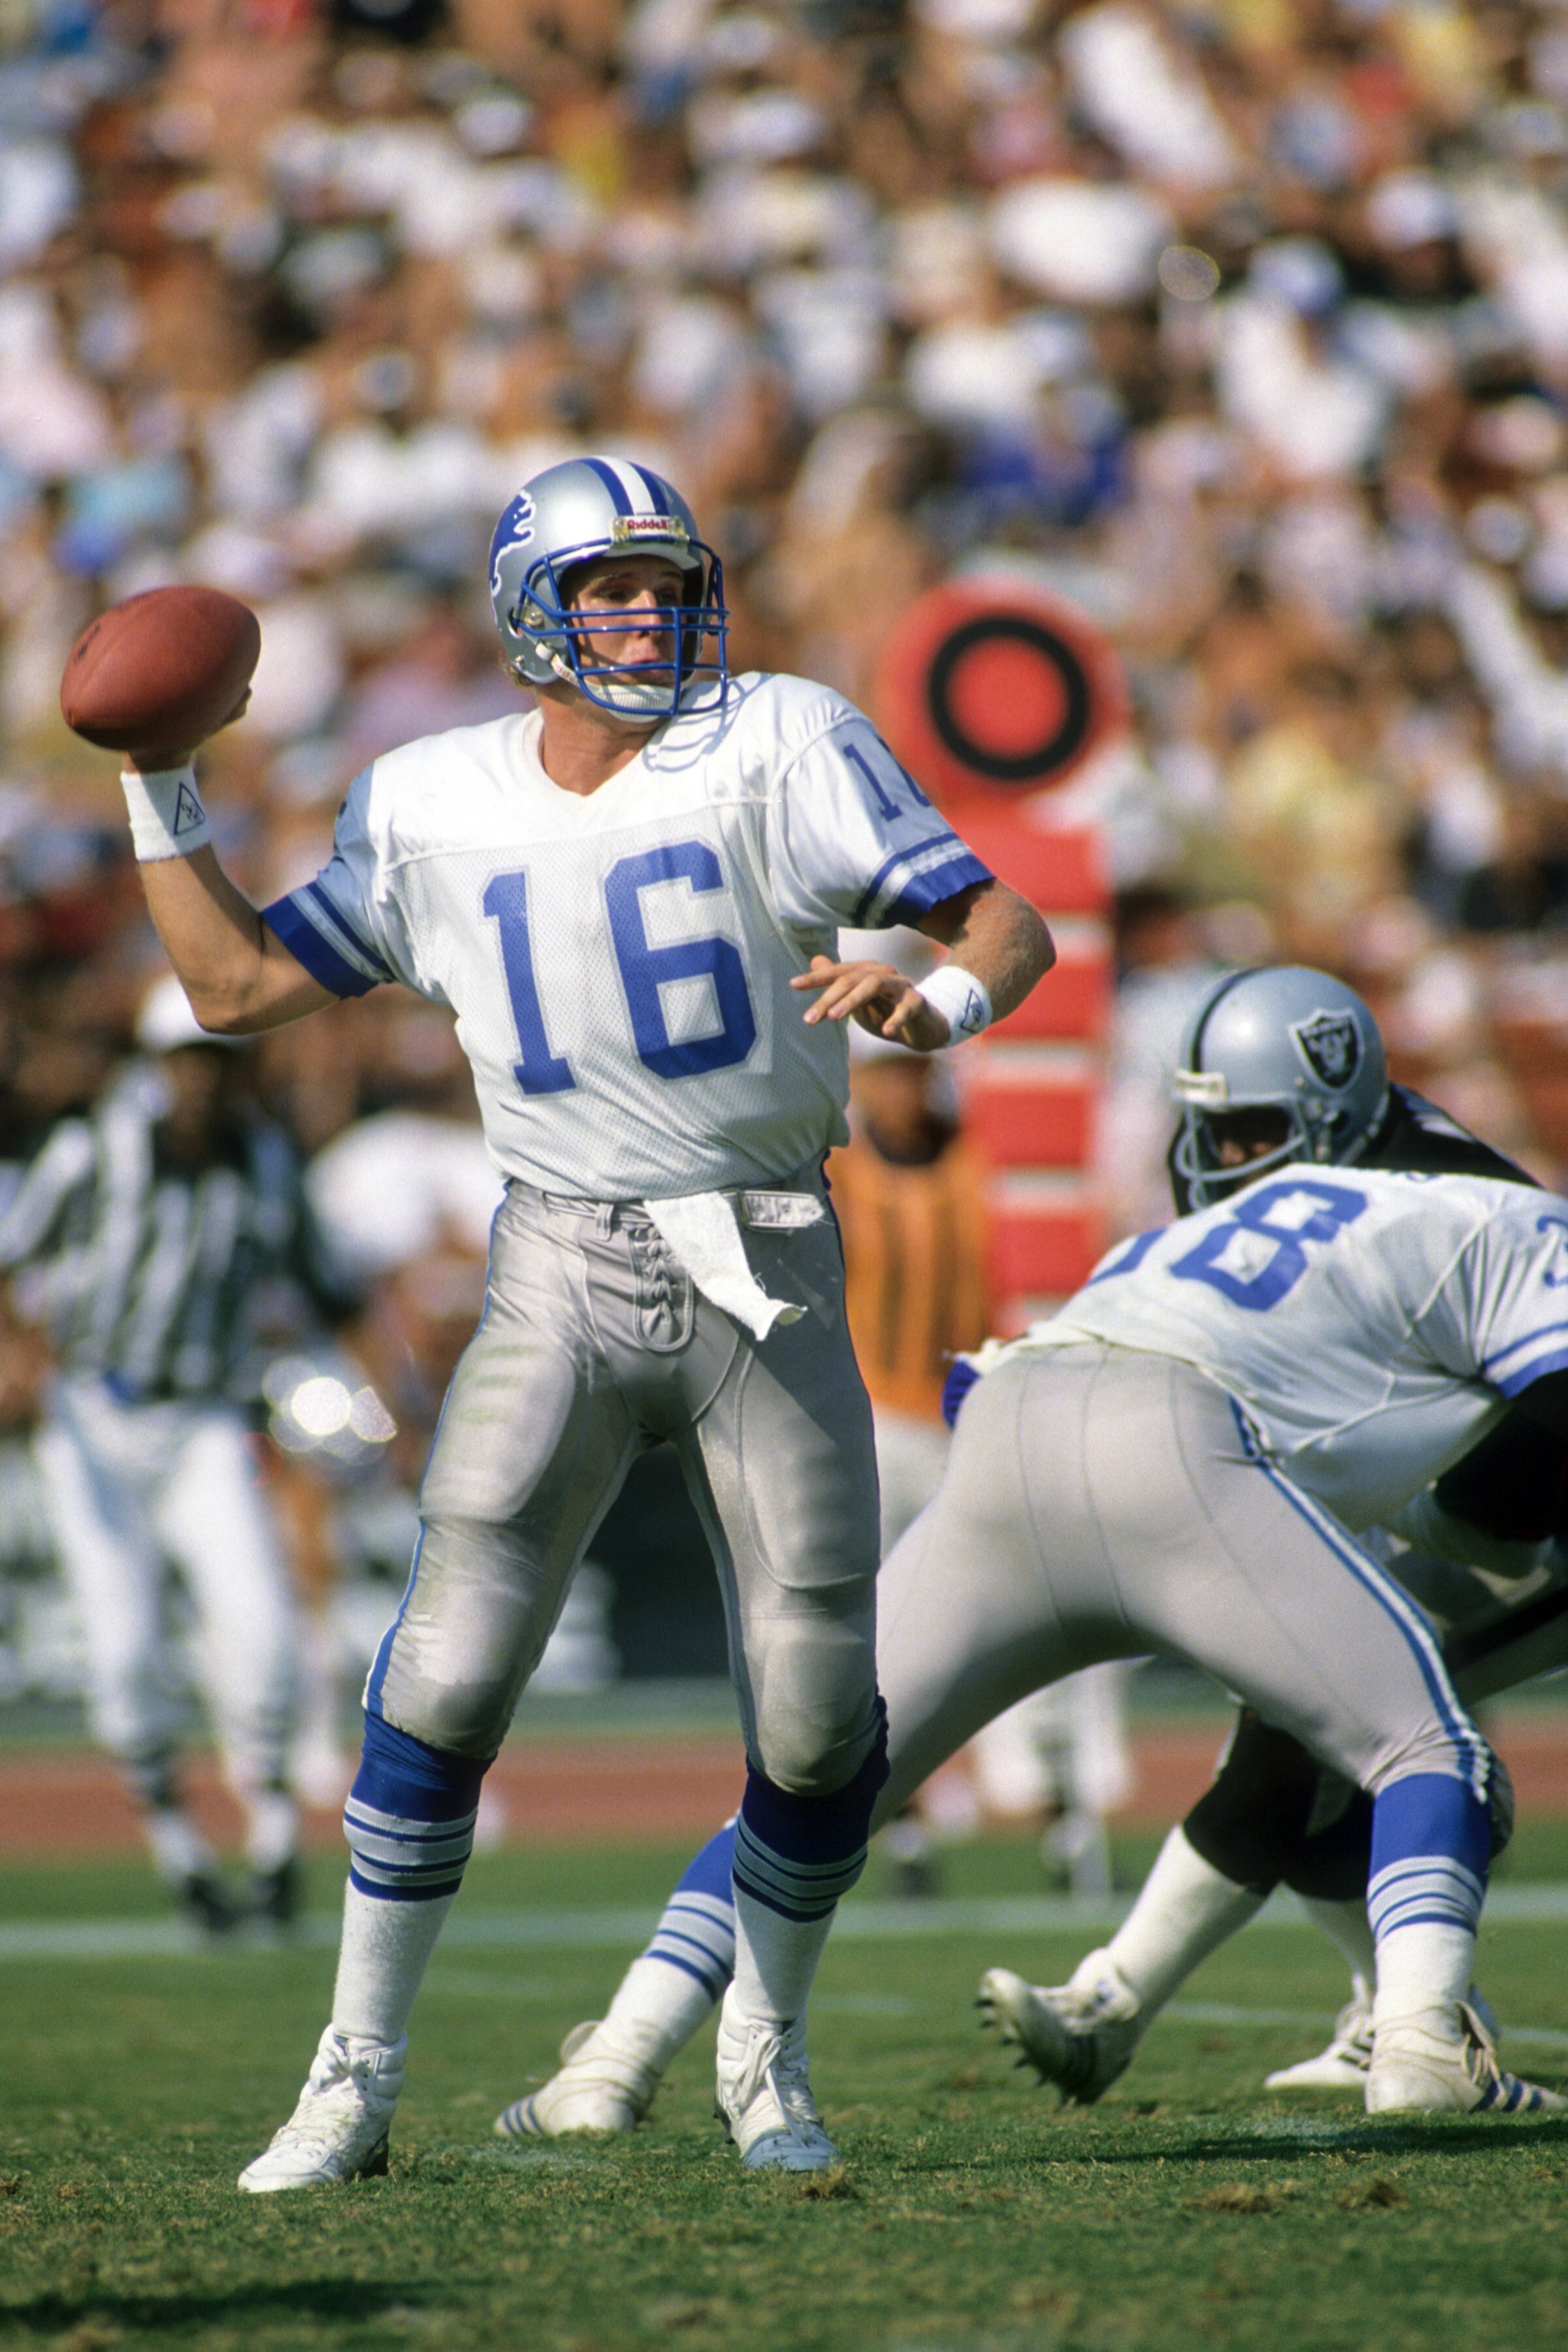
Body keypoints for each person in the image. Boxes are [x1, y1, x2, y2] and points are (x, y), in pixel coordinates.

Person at [105, 455, 1053, 2185]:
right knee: (450, 1669)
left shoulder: (780, 734)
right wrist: (162, 784)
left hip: (768, 1254)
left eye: (667, 583)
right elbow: (233, 989)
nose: (648, 614)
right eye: (610, 585)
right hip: (555, 1257)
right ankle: (353, 2074)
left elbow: (1007, 915)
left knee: (818, 1705)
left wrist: (947, 995)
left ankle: (763, 2055)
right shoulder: (427, 794)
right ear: (531, 605)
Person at [509, 966, 1568, 2132]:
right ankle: (1421, 2042)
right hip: (1179, 1451)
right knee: (1429, 1750)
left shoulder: (1179, 1238)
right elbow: (1550, 1422)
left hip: (1014, 1420)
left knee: (816, 1786)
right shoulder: (1495, 1215)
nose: (1227, 1152)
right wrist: (1454, 1520)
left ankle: (608, 2064)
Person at [0, 975, 351, 1930]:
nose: (202, 1082)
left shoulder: (266, 1162)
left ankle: (275, 1837)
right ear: (158, 1068)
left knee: (266, 1635)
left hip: (203, 1418)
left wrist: (366, 1389)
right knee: (122, 1652)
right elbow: (9, 1254)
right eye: (188, 1062)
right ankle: (181, 1852)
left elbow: (327, 1289)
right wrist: (23, 1357)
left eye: (219, 1062)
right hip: (92, 1417)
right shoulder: (92, 1150)